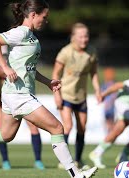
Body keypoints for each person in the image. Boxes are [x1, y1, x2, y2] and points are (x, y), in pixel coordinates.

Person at [0, 1, 98, 178]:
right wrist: (5, 68)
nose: (45, 21)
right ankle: (75, 174)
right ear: (33, 15)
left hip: (14, 93)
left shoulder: (31, 37)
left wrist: (47, 82)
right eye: (44, 17)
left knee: (6, 135)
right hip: (18, 95)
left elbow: (29, 68)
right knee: (57, 128)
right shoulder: (20, 32)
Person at [0, 45, 46, 170]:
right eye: (2, 66)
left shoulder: (16, 72)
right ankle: (5, 161)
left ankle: (38, 161)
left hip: (20, 99)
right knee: (1, 129)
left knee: (33, 127)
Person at [52, 22, 102, 169]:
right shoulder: (65, 52)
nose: (84, 39)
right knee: (67, 126)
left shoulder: (91, 51)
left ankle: (78, 160)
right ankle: (64, 161)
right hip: (66, 95)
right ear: (73, 37)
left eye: (86, 36)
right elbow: (55, 74)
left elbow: (93, 72)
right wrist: (57, 95)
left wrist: (97, 90)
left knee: (82, 129)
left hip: (81, 97)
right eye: (80, 36)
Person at [100, 67, 117, 133]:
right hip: (107, 107)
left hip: (111, 107)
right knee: (108, 121)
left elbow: (115, 95)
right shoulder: (105, 84)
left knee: (111, 121)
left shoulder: (112, 84)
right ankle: (109, 134)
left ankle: (111, 133)